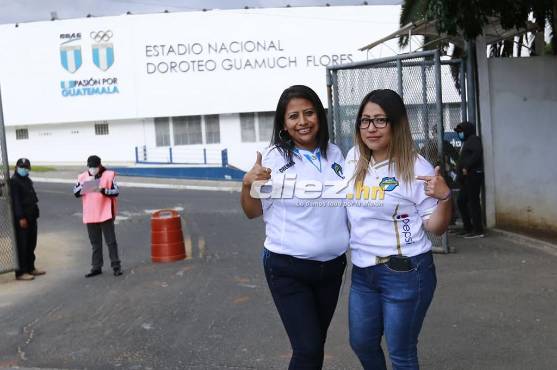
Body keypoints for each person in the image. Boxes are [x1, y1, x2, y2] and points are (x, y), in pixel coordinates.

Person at [240, 85, 349, 369]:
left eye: (309, 113)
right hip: (288, 268)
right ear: (284, 125)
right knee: (308, 349)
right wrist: (247, 184)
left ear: (319, 117)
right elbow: (252, 212)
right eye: (293, 116)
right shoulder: (274, 158)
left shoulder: (336, 154)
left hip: (332, 267)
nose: (303, 121)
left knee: (314, 346)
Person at [344, 89, 452, 370]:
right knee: (362, 342)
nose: (371, 128)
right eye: (365, 120)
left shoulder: (416, 166)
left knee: (401, 352)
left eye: (380, 120)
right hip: (363, 271)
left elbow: (436, 227)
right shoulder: (353, 157)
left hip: (405, 271)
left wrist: (444, 197)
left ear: (397, 124)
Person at [73, 155, 122, 277]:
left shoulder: (108, 175)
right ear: (87, 166)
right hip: (90, 214)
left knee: (111, 242)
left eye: (95, 167)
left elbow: (116, 192)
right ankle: (96, 267)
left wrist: (103, 190)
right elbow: (75, 192)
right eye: (90, 167)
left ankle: (116, 266)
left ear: (99, 166)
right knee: (95, 243)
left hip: (105, 213)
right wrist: (84, 186)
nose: (93, 169)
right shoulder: (82, 177)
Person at [11, 158, 45, 281]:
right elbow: (16, 202)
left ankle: (31, 267)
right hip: (23, 218)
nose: (24, 169)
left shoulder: (26, 179)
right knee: (22, 245)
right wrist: (21, 217)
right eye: (22, 167)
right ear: (16, 167)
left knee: (31, 244)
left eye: (26, 167)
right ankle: (21, 272)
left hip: (31, 217)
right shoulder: (14, 181)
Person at [454, 121, 484, 238]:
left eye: (461, 132)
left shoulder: (473, 140)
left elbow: (477, 153)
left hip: (473, 175)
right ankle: (468, 227)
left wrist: (467, 166)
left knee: (473, 202)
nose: (459, 134)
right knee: (461, 201)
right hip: (467, 177)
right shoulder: (466, 142)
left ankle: (478, 230)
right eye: (458, 132)